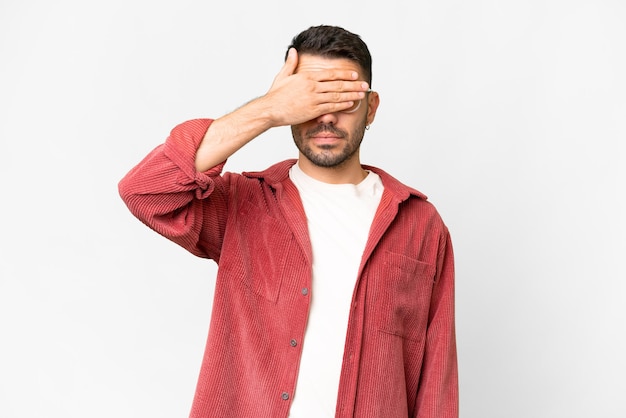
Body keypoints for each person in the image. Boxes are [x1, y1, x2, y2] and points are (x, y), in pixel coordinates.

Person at [119, 25, 458, 418]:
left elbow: (437, 384)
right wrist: (267, 109)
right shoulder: (242, 204)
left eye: (344, 100)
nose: (326, 116)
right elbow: (145, 190)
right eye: (311, 98)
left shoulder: (420, 224)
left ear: (372, 107)